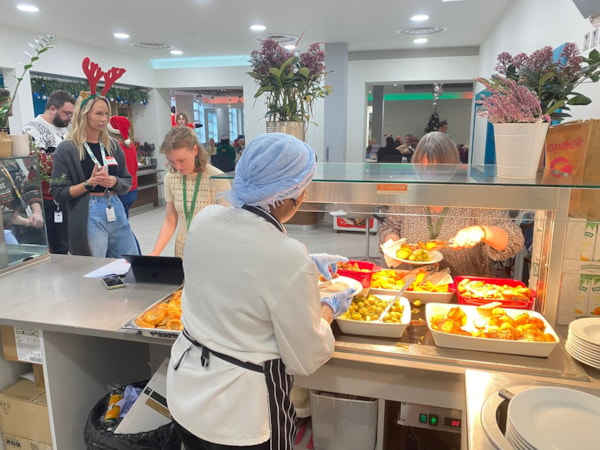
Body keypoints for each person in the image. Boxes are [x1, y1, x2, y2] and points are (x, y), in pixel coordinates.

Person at [166, 132, 354, 449]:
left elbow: (238, 264)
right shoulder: (287, 255)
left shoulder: (205, 218)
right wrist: (329, 308)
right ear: (296, 195)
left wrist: (305, 264)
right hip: (241, 415)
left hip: (186, 392)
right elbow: (306, 357)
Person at [379, 132, 524, 277]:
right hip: (411, 285)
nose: (428, 177)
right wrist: (392, 243)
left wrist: (483, 232)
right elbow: (390, 226)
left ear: (451, 167)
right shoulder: (409, 194)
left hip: (463, 289)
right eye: (422, 170)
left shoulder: (472, 196)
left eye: (435, 170)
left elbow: (514, 239)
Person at [50, 93, 139, 257]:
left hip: (115, 207)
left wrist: (113, 181)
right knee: (94, 266)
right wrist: (88, 183)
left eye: (106, 114)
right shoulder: (67, 148)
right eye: (98, 114)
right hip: (88, 211)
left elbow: (127, 181)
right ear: (84, 114)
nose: (104, 119)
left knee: (129, 262)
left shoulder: (112, 145)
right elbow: (58, 192)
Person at [149, 127, 230, 257]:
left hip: (211, 250)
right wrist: (155, 252)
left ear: (195, 150)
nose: (178, 167)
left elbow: (228, 223)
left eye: (181, 160)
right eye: (172, 161)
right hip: (183, 250)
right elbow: (170, 219)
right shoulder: (171, 178)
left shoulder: (217, 178)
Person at [21, 90, 76, 254]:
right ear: (53, 109)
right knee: (58, 246)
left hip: (71, 193)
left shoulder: (67, 129)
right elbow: (37, 166)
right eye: (67, 113)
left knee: (72, 242)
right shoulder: (32, 130)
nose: (70, 118)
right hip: (49, 198)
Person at [0, 159, 45, 245]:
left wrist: (37, 212)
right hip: (5, 232)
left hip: (23, 228)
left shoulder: (9, 163)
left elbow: (28, 187)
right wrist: (27, 222)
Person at [107, 115, 138, 217]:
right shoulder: (131, 146)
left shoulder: (113, 147)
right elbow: (135, 166)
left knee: (120, 226)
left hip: (121, 190)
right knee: (125, 219)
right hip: (133, 189)